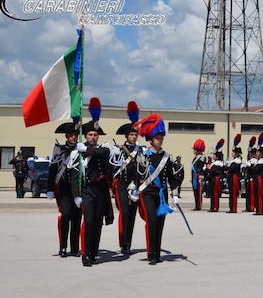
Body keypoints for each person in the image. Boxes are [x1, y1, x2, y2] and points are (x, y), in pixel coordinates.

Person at [134, 114, 184, 265]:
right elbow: (136, 174)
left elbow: (172, 177)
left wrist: (175, 193)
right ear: (151, 139)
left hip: (162, 194)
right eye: (157, 138)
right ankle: (151, 253)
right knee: (152, 220)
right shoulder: (144, 155)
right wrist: (133, 189)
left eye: (161, 138)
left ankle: (157, 252)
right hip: (148, 192)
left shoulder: (166, 157)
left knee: (160, 223)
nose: (160, 140)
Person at [70, 115, 113, 267]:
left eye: (95, 135)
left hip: (101, 191)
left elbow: (103, 154)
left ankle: (93, 253)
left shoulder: (104, 149)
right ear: (86, 136)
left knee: (97, 223)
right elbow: (75, 176)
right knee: (88, 221)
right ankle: (85, 253)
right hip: (87, 190)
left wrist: (87, 149)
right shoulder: (78, 153)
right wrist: (76, 195)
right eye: (90, 135)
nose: (93, 137)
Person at [111, 101, 143, 255]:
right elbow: (113, 168)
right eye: (131, 134)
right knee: (124, 213)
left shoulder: (141, 150)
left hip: (135, 186)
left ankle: (129, 243)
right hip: (122, 185)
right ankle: (123, 243)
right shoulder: (118, 150)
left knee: (132, 215)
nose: (134, 137)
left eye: (136, 134)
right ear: (126, 136)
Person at [47, 122, 81, 257]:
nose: (74, 137)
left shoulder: (80, 150)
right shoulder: (59, 150)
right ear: (66, 136)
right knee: (65, 216)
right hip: (64, 190)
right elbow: (53, 169)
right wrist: (50, 188)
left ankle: (74, 248)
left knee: (77, 219)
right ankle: (63, 246)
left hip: (77, 190)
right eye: (71, 135)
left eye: (75, 135)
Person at [226, 134, 242, 213]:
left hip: (234, 178)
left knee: (233, 194)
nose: (232, 153)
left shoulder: (237, 161)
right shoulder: (234, 160)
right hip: (232, 177)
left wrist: (227, 168)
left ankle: (233, 208)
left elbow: (231, 169)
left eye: (233, 152)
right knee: (231, 193)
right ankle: (231, 208)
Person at [191, 139, 206, 210]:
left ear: (198, 150)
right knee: (195, 191)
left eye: (194, 149)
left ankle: (199, 205)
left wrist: (201, 177)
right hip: (194, 176)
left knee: (199, 192)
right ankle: (196, 205)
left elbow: (202, 168)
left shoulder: (201, 158)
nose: (193, 151)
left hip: (198, 176)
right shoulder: (196, 158)